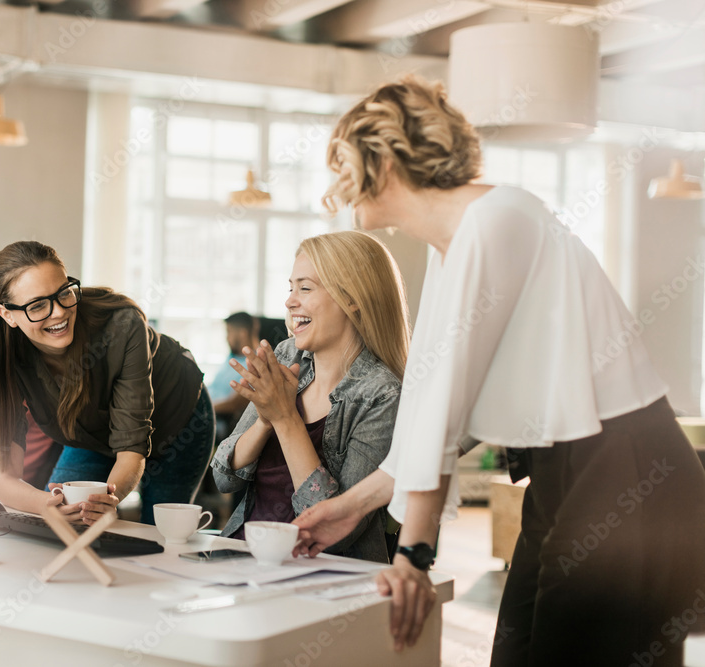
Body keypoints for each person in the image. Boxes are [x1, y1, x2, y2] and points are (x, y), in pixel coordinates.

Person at [292, 75, 705, 664]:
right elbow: (434, 412)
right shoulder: (451, 244)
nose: (336, 185)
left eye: (344, 164)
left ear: (383, 161)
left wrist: (414, 555)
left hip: (631, 476)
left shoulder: (498, 218)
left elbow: (442, 406)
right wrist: (353, 506)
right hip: (564, 479)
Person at [0, 241, 215, 525]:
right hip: (91, 432)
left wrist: (108, 500)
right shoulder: (3, 362)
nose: (59, 312)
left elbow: (131, 449)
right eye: (38, 305)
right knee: (66, 519)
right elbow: (5, 479)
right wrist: (48, 505)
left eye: (64, 293)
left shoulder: (121, 325)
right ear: (7, 315)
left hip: (176, 417)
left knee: (159, 532)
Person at [211, 231, 410, 562]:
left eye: (305, 288)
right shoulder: (286, 356)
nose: (290, 301)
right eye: (291, 288)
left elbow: (338, 532)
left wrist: (286, 419)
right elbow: (224, 477)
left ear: (352, 297)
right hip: (243, 555)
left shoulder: (383, 394)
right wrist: (265, 419)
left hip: (324, 575)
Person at [209, 312, 256, 440]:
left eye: (229, 332)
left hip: (215, 420)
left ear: (242, 333)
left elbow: (233, 404)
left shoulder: (255, 365)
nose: (226, 338)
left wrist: (200, 408)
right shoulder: (232, 357)